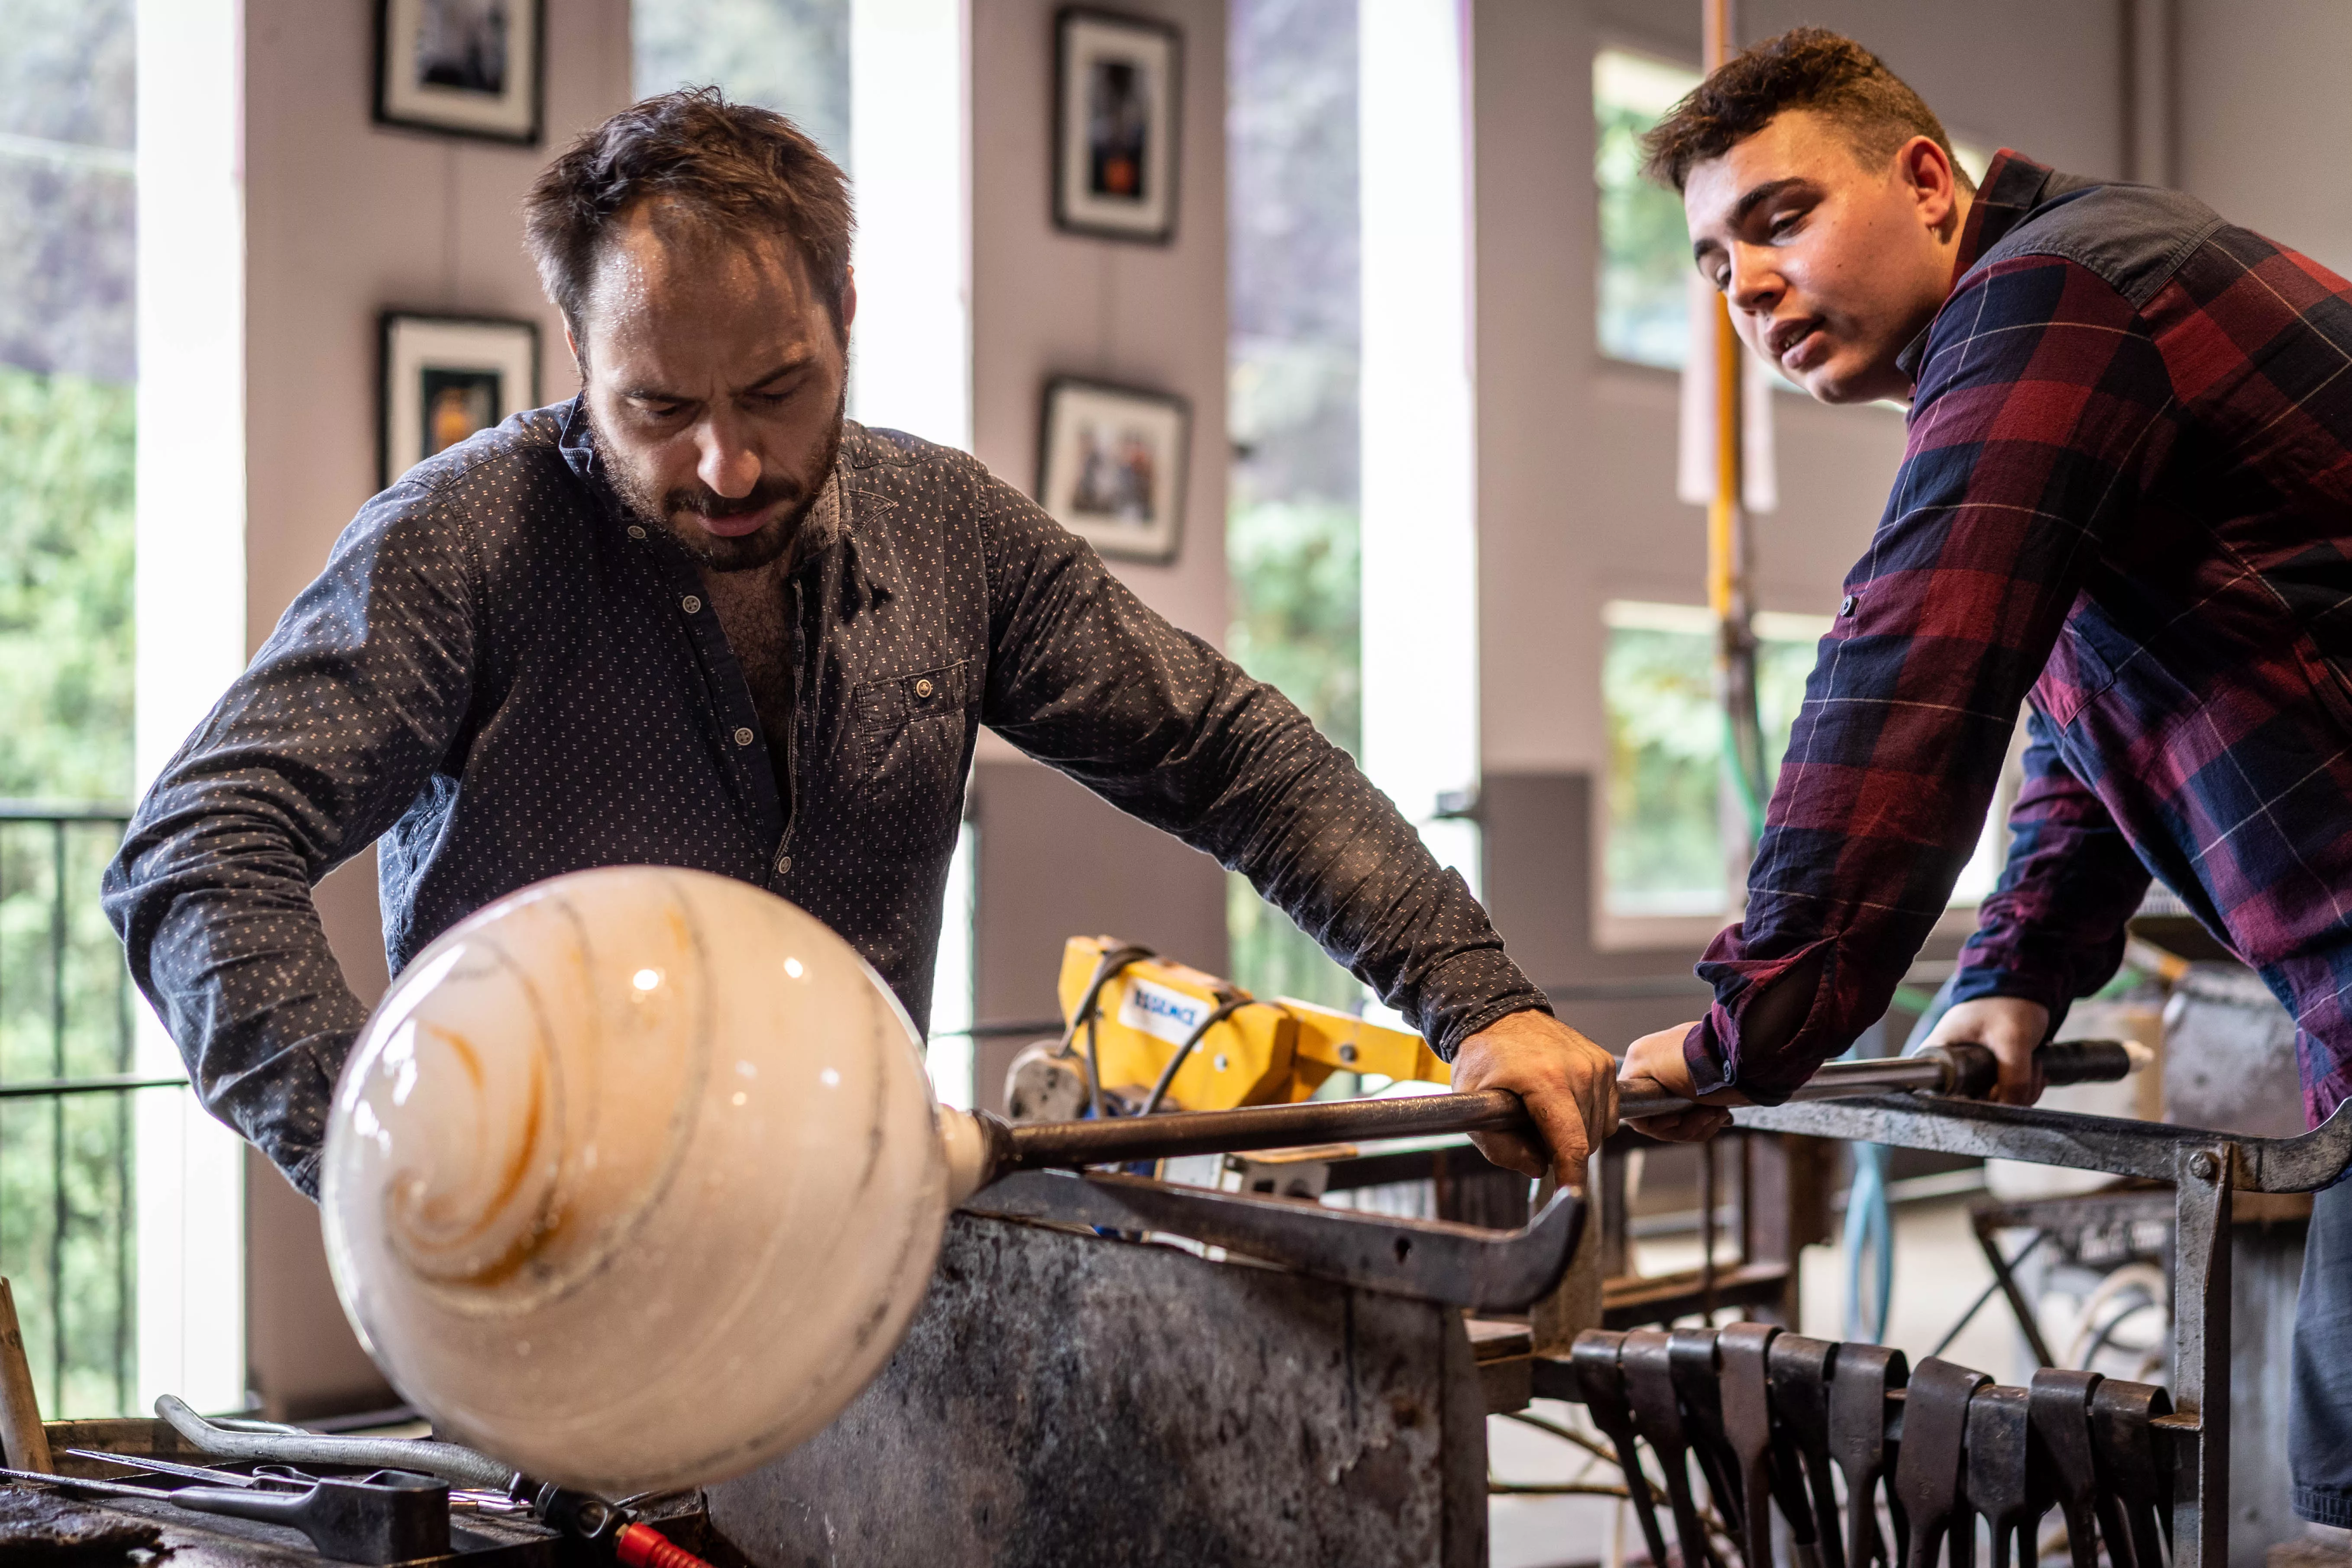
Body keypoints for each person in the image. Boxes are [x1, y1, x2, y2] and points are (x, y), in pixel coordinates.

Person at [103, 89, 1616, 1201]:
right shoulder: (460, 544)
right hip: (536, 1295)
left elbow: (1220, 751)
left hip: (861, 1265)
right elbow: (195, 848)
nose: (726, 465)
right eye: (658, 408)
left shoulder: (949, 531)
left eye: (774, 390)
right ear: (578, 351)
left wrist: (1477, 1002)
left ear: (844, 313)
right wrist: (379, 1158)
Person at [1612, 27, 2352, 1528]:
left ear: (1929, 185)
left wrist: (1746, 1027)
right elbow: (2093, 688)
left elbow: (1916, 660)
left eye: (1780, 218)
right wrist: (2016, 971)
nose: (1748, 287)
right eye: (1713, 265)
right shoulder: (2079, 313)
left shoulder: (2059, 290)